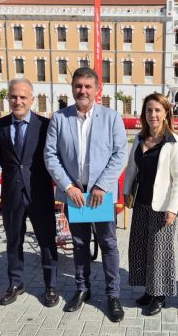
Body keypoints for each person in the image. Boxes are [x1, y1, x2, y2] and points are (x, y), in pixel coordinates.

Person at [44, 67, 127, 322]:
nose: (83, 91)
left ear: (96, 90)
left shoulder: (112, 118)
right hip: (75, 195)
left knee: (108, 244)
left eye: (88, 86)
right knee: (79, 244)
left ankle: (113, 295)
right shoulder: (59, 119)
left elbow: (120, 153)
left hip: (100, 196)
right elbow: (50, 155)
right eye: (79, 86)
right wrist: (68, 187)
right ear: (72, 88)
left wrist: (102, 186)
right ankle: (83, 289)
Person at [0, 79, 59, 307]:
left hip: (39, 194)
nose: (18, 101)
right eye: (13, 97)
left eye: (23, 97)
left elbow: (52, 156)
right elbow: (3, 158)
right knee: (14, 241)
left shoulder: (45, 125)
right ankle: (15, 283)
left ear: (32, 99)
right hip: (12, 195)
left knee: (46, 241)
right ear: (8, 98)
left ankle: (51, 285)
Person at [123, 93, 178, 316]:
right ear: (144, 114)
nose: (153, 115)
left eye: (158, 110)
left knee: (159, 251)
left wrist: (173, 208)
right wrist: (125, 192)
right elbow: (132, 169)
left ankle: (160, 296)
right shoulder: (140, 139)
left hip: (162, 206)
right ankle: (149, 290)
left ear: (166, 112)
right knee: (141, 248)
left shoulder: (172, 142)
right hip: (141, 202)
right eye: (149, 110)